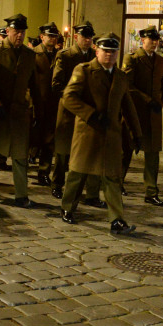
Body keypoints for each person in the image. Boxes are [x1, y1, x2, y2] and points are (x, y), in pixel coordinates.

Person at [60, 33, 142, 234]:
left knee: (112, 178)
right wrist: (91, 115)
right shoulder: (85, 70)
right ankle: (67, 208)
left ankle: (117, 220)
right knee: (78, 174)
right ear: (97, 51)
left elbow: (128, 106)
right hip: (88, 132)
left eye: (113, 52)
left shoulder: (121, 76)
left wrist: (137, 134)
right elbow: (68, 98)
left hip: (110, 135)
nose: (109, 55)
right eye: (105, 51)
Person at [0, 13, 39, 206]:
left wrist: (35, 109)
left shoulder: (30, 55)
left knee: (20, 154)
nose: (19, 36)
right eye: (15, 32)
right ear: (8, 31)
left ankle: (22, 195)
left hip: (18, 111)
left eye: (22, 32)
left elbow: (33, 84)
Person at [122, 25, 163, 206]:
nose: (153, 43)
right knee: (127, 150)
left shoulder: (160, 61)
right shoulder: (132, 59)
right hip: (135, 113)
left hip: (153, 116)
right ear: (142, 40)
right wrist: (147, 99)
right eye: (150, 40)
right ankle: (117, 182)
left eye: (156, 40)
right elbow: (128, 85)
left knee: (153, 154)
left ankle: (151, 191)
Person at [52, 21, 103, 206]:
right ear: (76, 37)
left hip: (88, 113)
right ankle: (57, 183)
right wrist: (72, 99)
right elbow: (56, 84)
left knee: (89, 152)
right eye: (84, 37)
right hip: (68, 109)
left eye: (90, 38)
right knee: (63, 150)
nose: (87, 41)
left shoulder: (95, 56)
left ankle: (91, 193)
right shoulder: (65, 56)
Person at [31, 22, 60, 186]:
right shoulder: (33, 54)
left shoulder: (59, 55)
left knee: (49, 141)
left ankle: (44, 172)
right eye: (50, 36)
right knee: (32, 138)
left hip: (52, 104)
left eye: (55, 36)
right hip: (36, 103)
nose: (52, 39)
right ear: (42, 37)